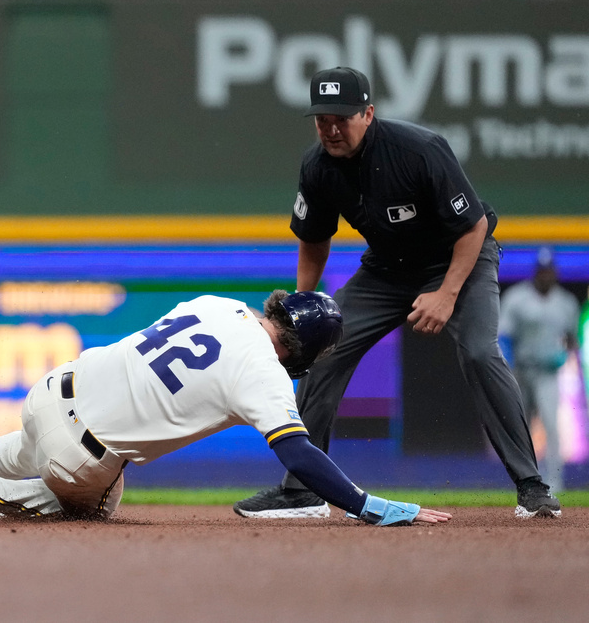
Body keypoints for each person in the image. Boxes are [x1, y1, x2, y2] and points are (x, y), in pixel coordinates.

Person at [234, 67, 560, 520]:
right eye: (321, 118)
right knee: (320, 349)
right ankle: (302, 491)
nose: (330, 128)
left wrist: (446, 294)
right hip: (388, 269)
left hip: (459, 258)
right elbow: (313, 239)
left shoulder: (419, 150)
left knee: (481, 353)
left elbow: (474, 227)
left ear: (368, 114)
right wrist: (300, 312)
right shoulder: (318, 166)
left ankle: (532, 486)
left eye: (341, 118)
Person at [0, 291, 452, 527]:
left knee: (31, 443)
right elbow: (299, 456)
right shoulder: (266, 375)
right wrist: (369, 506)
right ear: (305, 351)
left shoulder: (220, 305)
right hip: (81, 455)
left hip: (50, 391)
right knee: (94, 507)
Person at [499, 247, 581, 492]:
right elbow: (503, 337)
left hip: (547, 373)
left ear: (554, 273)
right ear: (535, 272)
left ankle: (554, 484)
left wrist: (562, 357)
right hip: (521, 371)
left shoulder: (565, 302)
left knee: (551, 426)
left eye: (549, 271)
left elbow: (572, 339)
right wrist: (509, 368)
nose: (546, 275)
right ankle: (522, 482)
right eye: (542, 271)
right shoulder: (517, 297)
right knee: (518, 428)